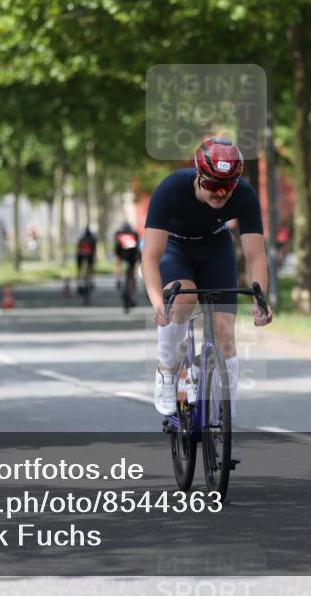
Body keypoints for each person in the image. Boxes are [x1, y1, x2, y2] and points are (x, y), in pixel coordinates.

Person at [142, 137, 273, 417]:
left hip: (216, 248)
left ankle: (225, 420)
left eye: (227, 186)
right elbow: (150, 256)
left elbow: (256, 256)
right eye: (213, 185)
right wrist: (158, 304)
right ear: (199, 176)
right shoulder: (171, 189)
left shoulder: (244, 194)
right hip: (175, 247)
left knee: (225, 334)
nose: (220, 193)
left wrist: (260, 300)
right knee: (183, 300)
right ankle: (166, 369)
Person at [113, 221, 140, 300]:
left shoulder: (118, 233)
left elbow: (116, 245)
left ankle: (117, 277)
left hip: (121, 252)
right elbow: (137, 247)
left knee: (117, 260)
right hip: (132, 254)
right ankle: (134, 293)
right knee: (132, 273)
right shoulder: (134, 233)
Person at [75, 226, 97, 292]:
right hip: (89, 255)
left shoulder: (80, 238)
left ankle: (78, 283)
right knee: (91, 266)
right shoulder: (92, 238)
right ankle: (91, 280)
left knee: (79, 269)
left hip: (80, 255)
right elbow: (94, 250)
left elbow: (78, 248)